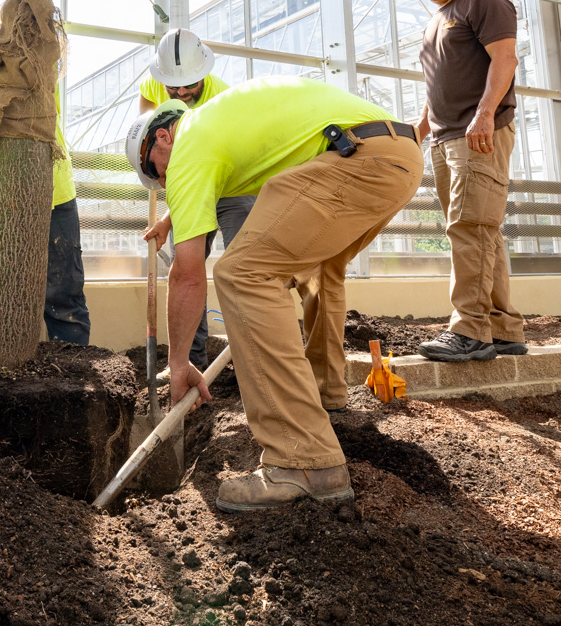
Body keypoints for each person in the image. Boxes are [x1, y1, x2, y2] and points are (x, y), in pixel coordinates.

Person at [128, 76, 423, 512]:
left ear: (164, 135)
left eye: (157, 170)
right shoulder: (217, 122)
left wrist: (177, 364)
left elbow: (187, 274)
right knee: (319, 270)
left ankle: (303, 458)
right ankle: (324, 396)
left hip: (355, 160)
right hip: (394, 153)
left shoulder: (188, 144)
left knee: (242, 274)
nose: (164, 180)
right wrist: (174, 217)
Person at [400, 0, 526, 364]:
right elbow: (437, 87)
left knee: (469, 228)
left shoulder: (482, 0)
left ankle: (470, 330)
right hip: (445, 138)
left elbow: (504, 59)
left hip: (478, 135)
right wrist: (415, 134)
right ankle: (504, 327)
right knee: (482, 230)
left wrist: (485, 114)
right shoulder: (436, 20)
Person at [137, 28, 250, 367]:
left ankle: (251, 359)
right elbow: (148, 137)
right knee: (187, 264)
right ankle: (192, 363)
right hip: (192, 176)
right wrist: (168, 216)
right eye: (175, 87)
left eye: (190, 85)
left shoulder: (223, 101)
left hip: (232, 182)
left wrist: (169, 219)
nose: (182, 92)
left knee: (243, 266)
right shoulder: (154, 86)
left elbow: (213, 174)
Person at [0, 81, 88, 343]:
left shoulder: (38, 75)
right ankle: (6, 364)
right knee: (2, 296)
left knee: (63, 294)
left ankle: (71, 370)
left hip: (55, 196)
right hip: (2, 204)